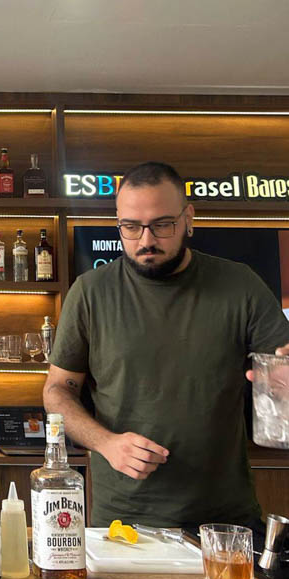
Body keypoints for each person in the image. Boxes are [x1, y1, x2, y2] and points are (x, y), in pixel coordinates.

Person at [44, 161, 289, 529]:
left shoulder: (241, 286)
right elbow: (57, 391)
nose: (146, 241)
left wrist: (282, 385)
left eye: (162, 225)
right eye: (130, 227)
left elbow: (282, 369)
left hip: (224, 522)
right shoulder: (90, 293)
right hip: (122, 524)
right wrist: (106, 443)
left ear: (188, 218)